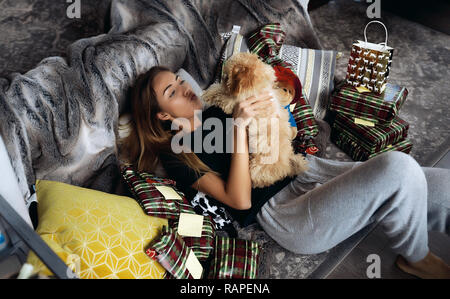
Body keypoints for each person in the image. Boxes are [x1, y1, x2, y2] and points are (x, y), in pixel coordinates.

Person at [119, 66, 450, 279]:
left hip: (307, 170)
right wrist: (238, 133)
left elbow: (276, 127)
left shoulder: (217, 107)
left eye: (179, 80)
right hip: (285, 211)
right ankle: (416, 258)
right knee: (398, 167)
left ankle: (390, 210)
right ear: (162, 116)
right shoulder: (179, 154)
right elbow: (240, 199)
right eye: (172, 92)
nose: (184, 87)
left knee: (440, 185)